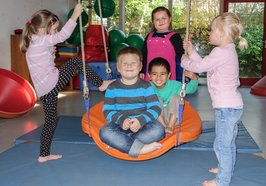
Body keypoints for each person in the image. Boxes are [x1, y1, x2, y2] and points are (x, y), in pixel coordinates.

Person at [20, 3, 113, 163]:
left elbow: (41, 61)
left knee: (50, 121)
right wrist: (75, 15)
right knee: (76, 62)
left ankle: (43, 155)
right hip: (51, 82)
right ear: (43, 29)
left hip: (44, 90)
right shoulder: (41, 41)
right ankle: (101, 84)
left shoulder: (32, 42)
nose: (55, 33)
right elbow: (63, 36)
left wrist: (49, 52)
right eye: (54, 29)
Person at [181, 12, 248, 186]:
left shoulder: (221, 51)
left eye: (211, 30)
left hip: (226, 108)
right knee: (227, 143)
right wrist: (191, 51)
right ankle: (226, 168)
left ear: (222, 33)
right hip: (232, 106)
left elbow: (201, 66)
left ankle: (223, 180)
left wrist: (184, 62)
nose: (209, 33)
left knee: (222, 145)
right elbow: (207, 64)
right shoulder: (226, 51)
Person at [100, 46, 166, 158]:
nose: (129, 65)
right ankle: (140, 148)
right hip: (120, 125)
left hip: (143, 124)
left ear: (140, 66)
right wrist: (121, 120)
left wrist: (141, 120)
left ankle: (121, 144)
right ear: (118, 67)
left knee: (159, 130)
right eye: (125, 63)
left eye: (133, 63)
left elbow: (155, 107)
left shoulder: (146, 86)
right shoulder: (112, 88)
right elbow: (108, 110)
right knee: (104, 132)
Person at [148, 57, 198, 135]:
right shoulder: (147, 87)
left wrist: (194, 79)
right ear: (149, 76)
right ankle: (164, 126)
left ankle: (170, 126)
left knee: (177, 97)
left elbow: (191, 89)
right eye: (154, 74)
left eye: (162, 74)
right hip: (157, 119)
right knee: (153, 98)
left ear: (168, 75)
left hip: (173, 118)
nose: (158, 78)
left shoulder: (174, 85)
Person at [141, 6, 184, 81]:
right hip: (150, 75)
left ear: (170, 19)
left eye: (163, 18)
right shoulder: (149, 36)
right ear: (153, 22)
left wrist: (187, 67)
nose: (160, 21)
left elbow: (181, 55)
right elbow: (143, 55)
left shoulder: (174, 36)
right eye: (157, 19)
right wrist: (141, 70)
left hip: (168, 75)